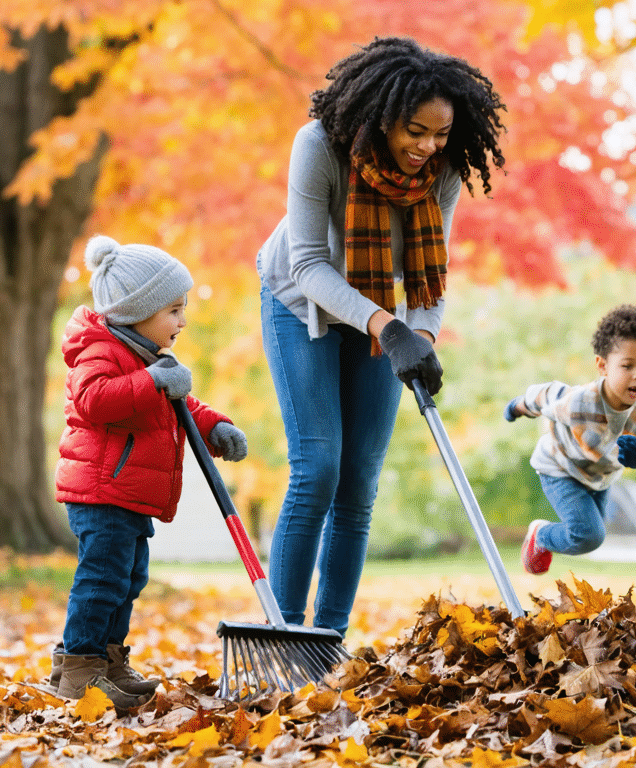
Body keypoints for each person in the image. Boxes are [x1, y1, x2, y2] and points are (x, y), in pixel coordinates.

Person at [256, 37, 506, 636]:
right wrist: (388, 328)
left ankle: (328, 637)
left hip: (383, 313)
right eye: (415, 131)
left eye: (440, 135)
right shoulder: (319, 146)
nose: (428, 147)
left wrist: (419, 336)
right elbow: (308, 265)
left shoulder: (442, 170)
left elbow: (432, 275)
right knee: (318, 466)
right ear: (381, 116)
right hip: (300, 303)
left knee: (358, 481)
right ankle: (286, 634)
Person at [51, 235, 248, 710]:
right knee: (102, 579)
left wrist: (215, 426)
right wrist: (152, 380)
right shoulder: (100, 352)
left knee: (129, 578)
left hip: (128, 493)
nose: (183, 320)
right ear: (135, 310)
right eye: (174, 310)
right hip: (102, 492)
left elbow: (178, 407)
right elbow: (95, 401)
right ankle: (79, 668)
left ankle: (109, 661)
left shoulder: (144, 356)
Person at [505, 305, 636, 574]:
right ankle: (542, 535)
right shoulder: (581, 402)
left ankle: (548, 536)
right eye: (627, 366)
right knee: (589, 535)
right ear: (603, 366)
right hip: (560, 467)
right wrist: (519, 406)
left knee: (591, 533)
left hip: (600, 477)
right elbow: (547, 395)